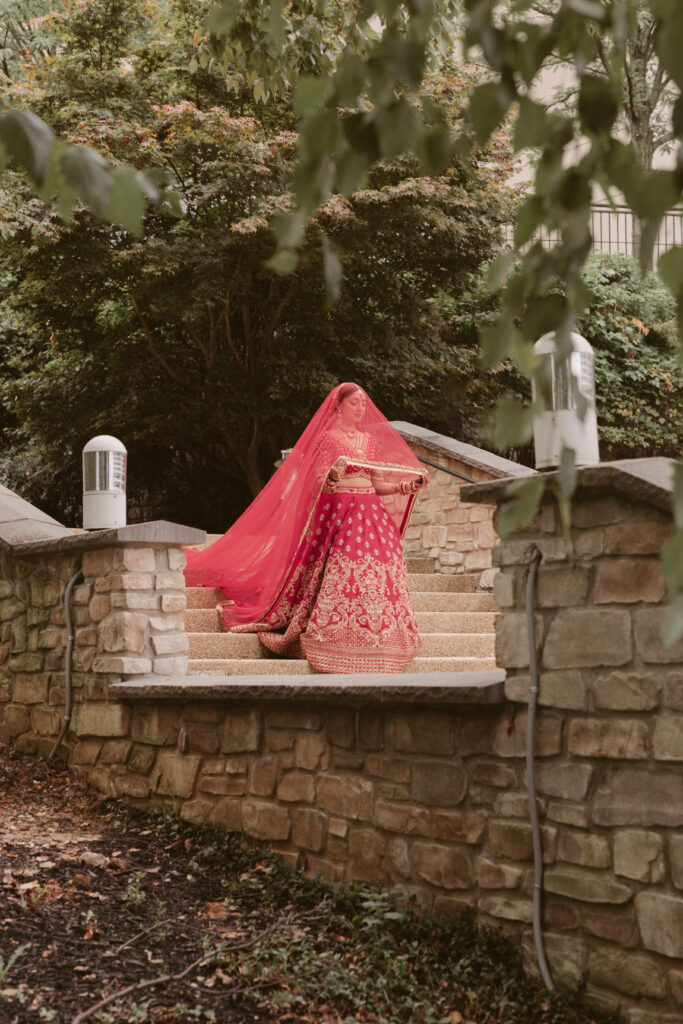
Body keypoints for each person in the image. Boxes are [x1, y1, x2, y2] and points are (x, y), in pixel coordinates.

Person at [184, 383, 429, 673]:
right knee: (345, 575)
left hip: (370, 516)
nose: (361, 408)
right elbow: (318, 481)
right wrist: (334, 474)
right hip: (342, 516)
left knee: (376, 574)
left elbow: (377, 484)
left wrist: (406, 486)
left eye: (363, 403)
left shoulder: (369, 442)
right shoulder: (328, 439)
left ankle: (379, 640)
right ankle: (335, 637)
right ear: (338, 406)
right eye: (355, 403)